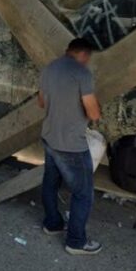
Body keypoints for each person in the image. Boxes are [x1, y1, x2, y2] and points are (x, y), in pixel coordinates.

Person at [37, 38, 103, 255]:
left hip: (50, 137)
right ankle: (76, 242)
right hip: (72, 144)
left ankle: (52, 224)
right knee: (83, 193)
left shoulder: (49, 68)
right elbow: (93, 113)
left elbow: (41, 102)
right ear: (84, 55)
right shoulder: (82, 74)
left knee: (50, 182)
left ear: (68, 51)